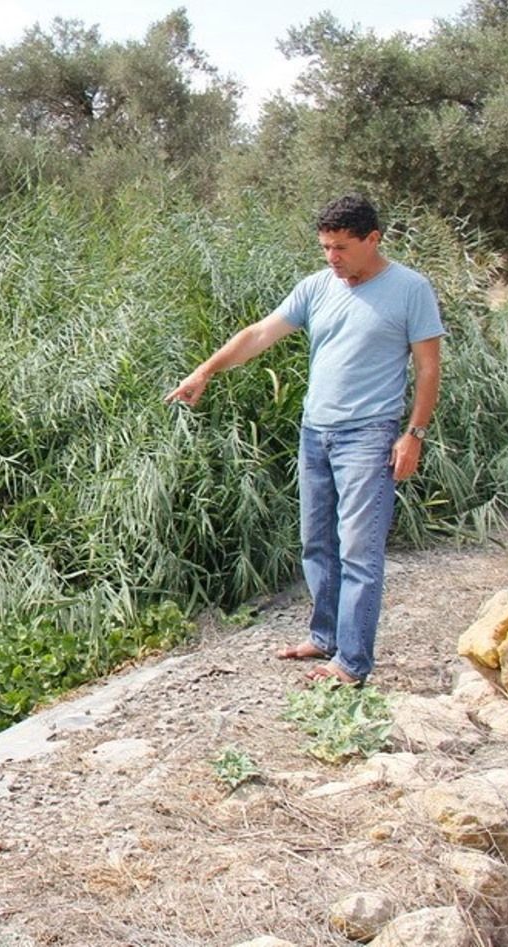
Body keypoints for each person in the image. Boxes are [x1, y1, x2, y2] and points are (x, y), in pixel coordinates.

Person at [165, 194, 444, 685]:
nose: (331, 258)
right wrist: (205, 370)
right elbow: (258, 334)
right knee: (317, 543)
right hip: (316, 433)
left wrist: (413, 434)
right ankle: (324, 639)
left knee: (359, 550)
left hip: (371, 435)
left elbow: (428, 366)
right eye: (324, 247)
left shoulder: (409, 289)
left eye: (340, 247)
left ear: (372, 239)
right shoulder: (317, 287)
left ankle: (352, 663)